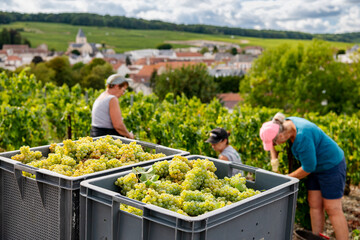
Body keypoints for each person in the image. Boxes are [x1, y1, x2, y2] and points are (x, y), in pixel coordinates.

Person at [260, 113, 348, 240]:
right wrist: (275, 162)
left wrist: (286, 179)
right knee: (314, 203)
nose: (274, 146)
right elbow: (272, 142)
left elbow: (308, 168)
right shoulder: (281, 125)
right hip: (315, 166)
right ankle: (316, 238)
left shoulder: (302, 136)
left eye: (274, 143)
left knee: (332, 209)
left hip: (331, 165)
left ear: (280, 136)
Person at [90, 74, 134, 139]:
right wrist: (129, 135)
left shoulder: (101, 96)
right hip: (106, 138)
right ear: (116, 86)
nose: (122, 94)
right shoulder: (112, 99)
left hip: (96, 136)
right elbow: (118, 125)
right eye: (123, 90)